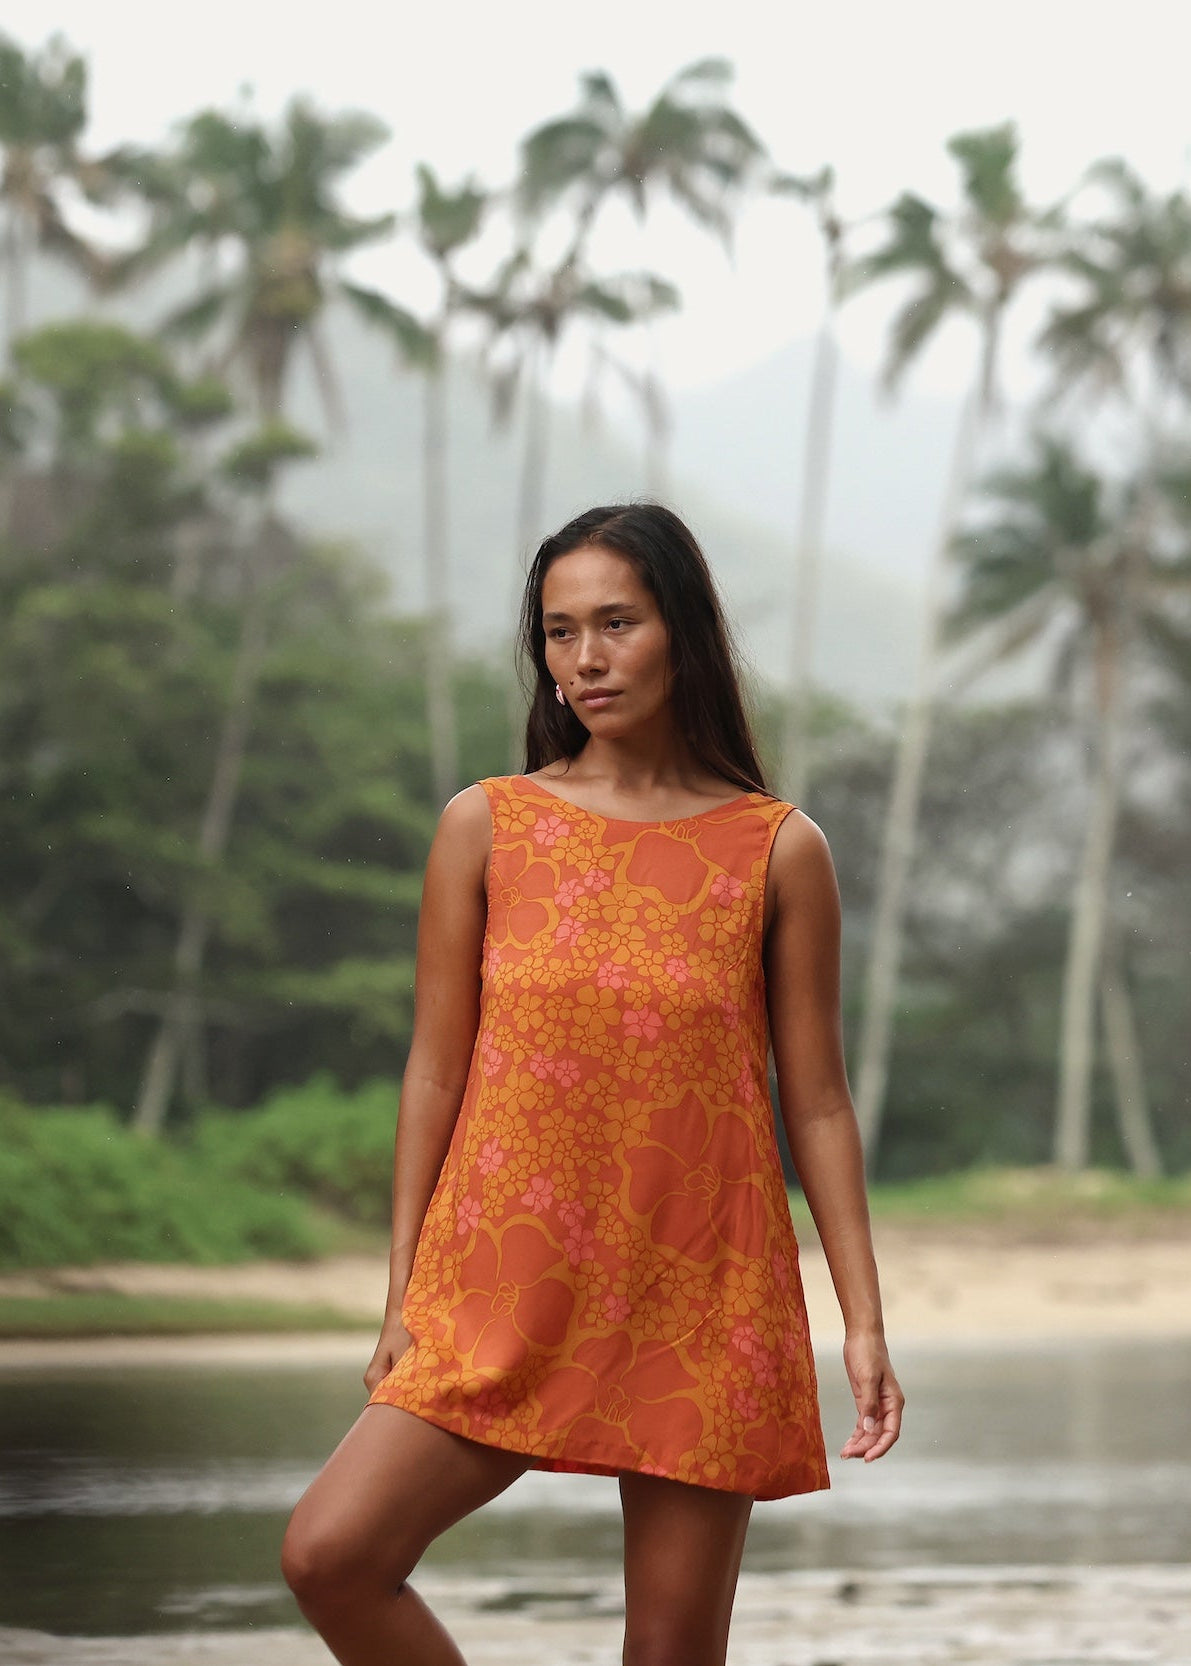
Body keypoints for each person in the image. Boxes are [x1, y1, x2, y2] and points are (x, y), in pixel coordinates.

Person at [281, 503, 903, 1666]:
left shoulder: (778, 848)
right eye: (561, 632)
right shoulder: (488, 826)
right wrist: (401, 1288)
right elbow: (435, 1067)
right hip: (505, 1283)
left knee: (669, 1653)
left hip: (699, 1290)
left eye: (617, 622)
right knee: (331, 1554)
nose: (587, 658)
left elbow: (815, 1102)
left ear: (685, 633)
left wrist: (862, 1323)